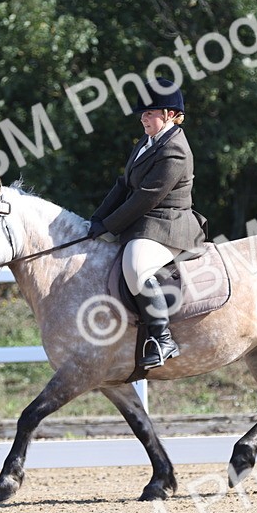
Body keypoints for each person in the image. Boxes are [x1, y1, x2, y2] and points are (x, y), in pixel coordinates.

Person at [87, 78, 208, 369]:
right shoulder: (148, 141)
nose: (143, 118)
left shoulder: (174, 149)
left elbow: (145, 198)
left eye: (149, 112)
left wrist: (110, 226)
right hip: (147, 222)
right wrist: (97, 218)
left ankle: (162, 338)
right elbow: (123, 185)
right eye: (143, 113)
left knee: (136, 267)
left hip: (169, 225)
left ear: (168, 114)